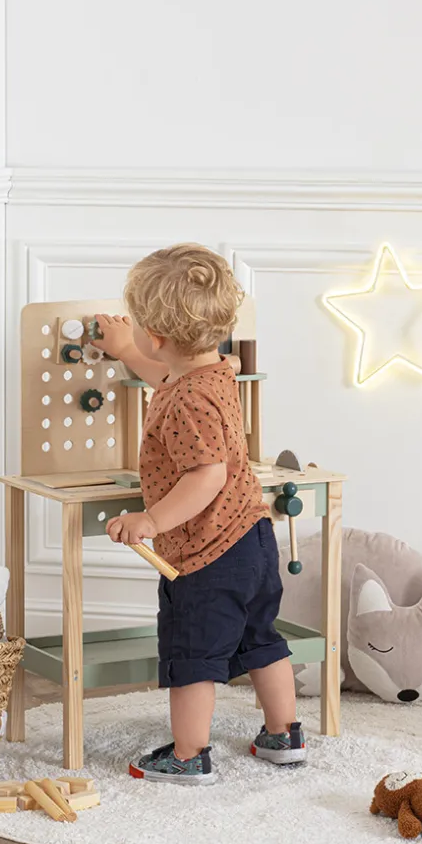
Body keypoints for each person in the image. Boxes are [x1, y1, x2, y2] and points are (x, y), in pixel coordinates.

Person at [96, 244, 304, 784]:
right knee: (262, 638)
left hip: (207, 553)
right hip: (253, 538)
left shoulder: (187, 399)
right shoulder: (218, 370)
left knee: (191, 652)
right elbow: (163, 374)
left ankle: (189, 755)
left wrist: (152, 520)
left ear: (157, 336)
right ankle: (284, 734)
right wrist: (125, 349)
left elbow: (206, 475)